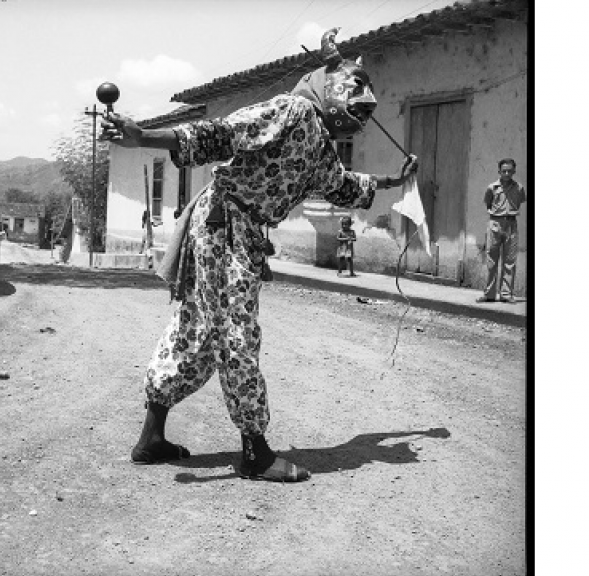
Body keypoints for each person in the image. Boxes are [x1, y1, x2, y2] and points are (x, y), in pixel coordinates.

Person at [101, 28, 416, 482]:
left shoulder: (322, 148)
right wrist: (145, 136)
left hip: (234, 230)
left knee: (196, 330)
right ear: (330, 87)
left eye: (366, 104)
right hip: (223, 226)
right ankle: (255, 450)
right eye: (356, 93)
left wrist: (394, 180)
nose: (362, 107)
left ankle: (152, 436)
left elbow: (346, 186)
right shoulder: (292, 110)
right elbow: (224, 134)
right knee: (235, 333)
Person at [478, 158, 526, 303]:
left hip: (511, 224)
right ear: (499, 171)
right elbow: (487, 203)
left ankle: (506, 294)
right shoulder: (492, 188)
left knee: (510, 261)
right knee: (491, 260)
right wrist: (494, 216)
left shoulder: (519, 188)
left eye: (509, 171)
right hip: (495, 224)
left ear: (514, 171)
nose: (506, 173)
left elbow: (521, 201)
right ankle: (489, 294)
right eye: (504, 171)